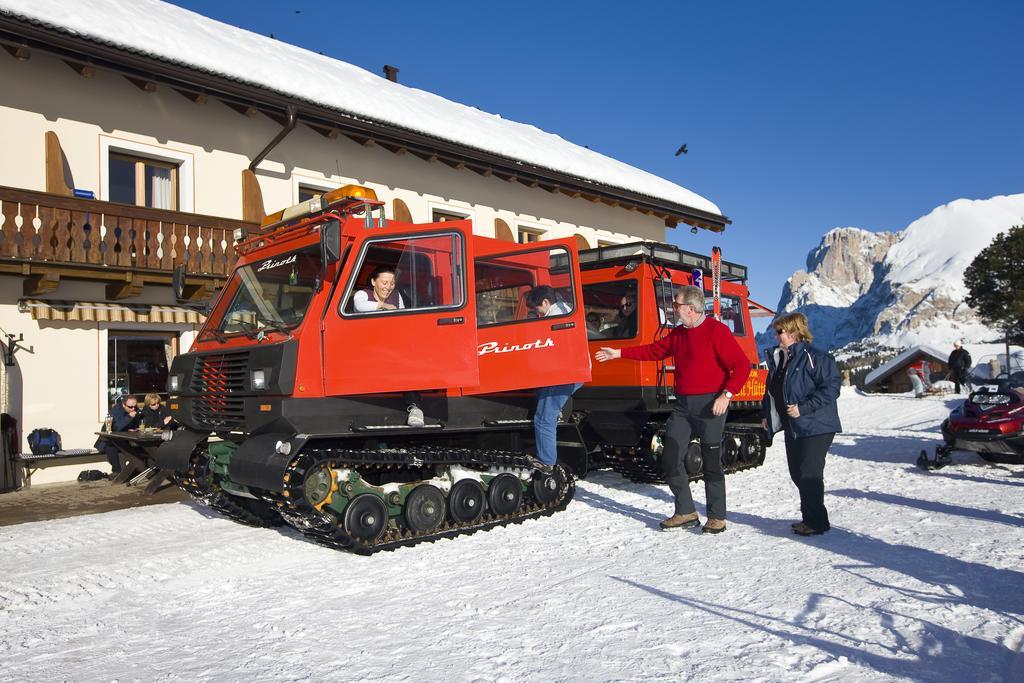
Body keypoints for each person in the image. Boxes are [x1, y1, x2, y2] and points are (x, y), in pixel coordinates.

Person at [595, 285, 750, 534]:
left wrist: (726, 394)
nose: (673, 308)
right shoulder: (678, 334)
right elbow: (654, 350)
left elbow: (741, 365)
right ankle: (686, 511)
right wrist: (619, 353)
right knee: (670, 456)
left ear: (691, 308)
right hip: (682, 405)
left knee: (711, 462)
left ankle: (717, 516)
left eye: (676, 304)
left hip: (711, 405)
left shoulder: (716, 331)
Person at [761, 313, 842, 537]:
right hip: (793, 425)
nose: (775, 335)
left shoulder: (816, 357)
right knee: (797, 474)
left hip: (817, 425)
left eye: (779, 331)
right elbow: (771, 391)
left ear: (793, 332)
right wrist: (766, 413)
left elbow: (832, 388)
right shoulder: (781, 359)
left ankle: (815, 522)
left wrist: (803, 408)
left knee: (809, 474)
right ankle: (813, 517)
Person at [351, 265, 423, 426]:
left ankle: (415, 408)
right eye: (384, 282)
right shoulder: (363, 294)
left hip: (390, 346)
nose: (388, 287)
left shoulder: (397, 296)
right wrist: (382, 306)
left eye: (391, 283)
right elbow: (360, 306)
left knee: (408, 362)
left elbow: (403, 319)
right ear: (373, 282)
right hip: (364, 346)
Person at [524, 285, 581, 474]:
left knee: (543, 417)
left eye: (537, 308)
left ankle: (547, 462)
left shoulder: (556, 318)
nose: (537, 313)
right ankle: (546, 455)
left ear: (546, 303)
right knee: (543, 408)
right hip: (566, 372)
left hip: (566, 373)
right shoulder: (565, 312)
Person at [100, 395, 142, 475]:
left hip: (126, 438)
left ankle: (139, 468)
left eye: (134, 406)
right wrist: (129, 417)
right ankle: (117, 472)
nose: (133, 409)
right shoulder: (115, 411)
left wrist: (135, 428)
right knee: (111, 447)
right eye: (130, 407)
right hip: (109, 440)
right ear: (123, 405)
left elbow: (140, 421)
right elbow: (114, 428)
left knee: (143, 447)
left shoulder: (135, 409)